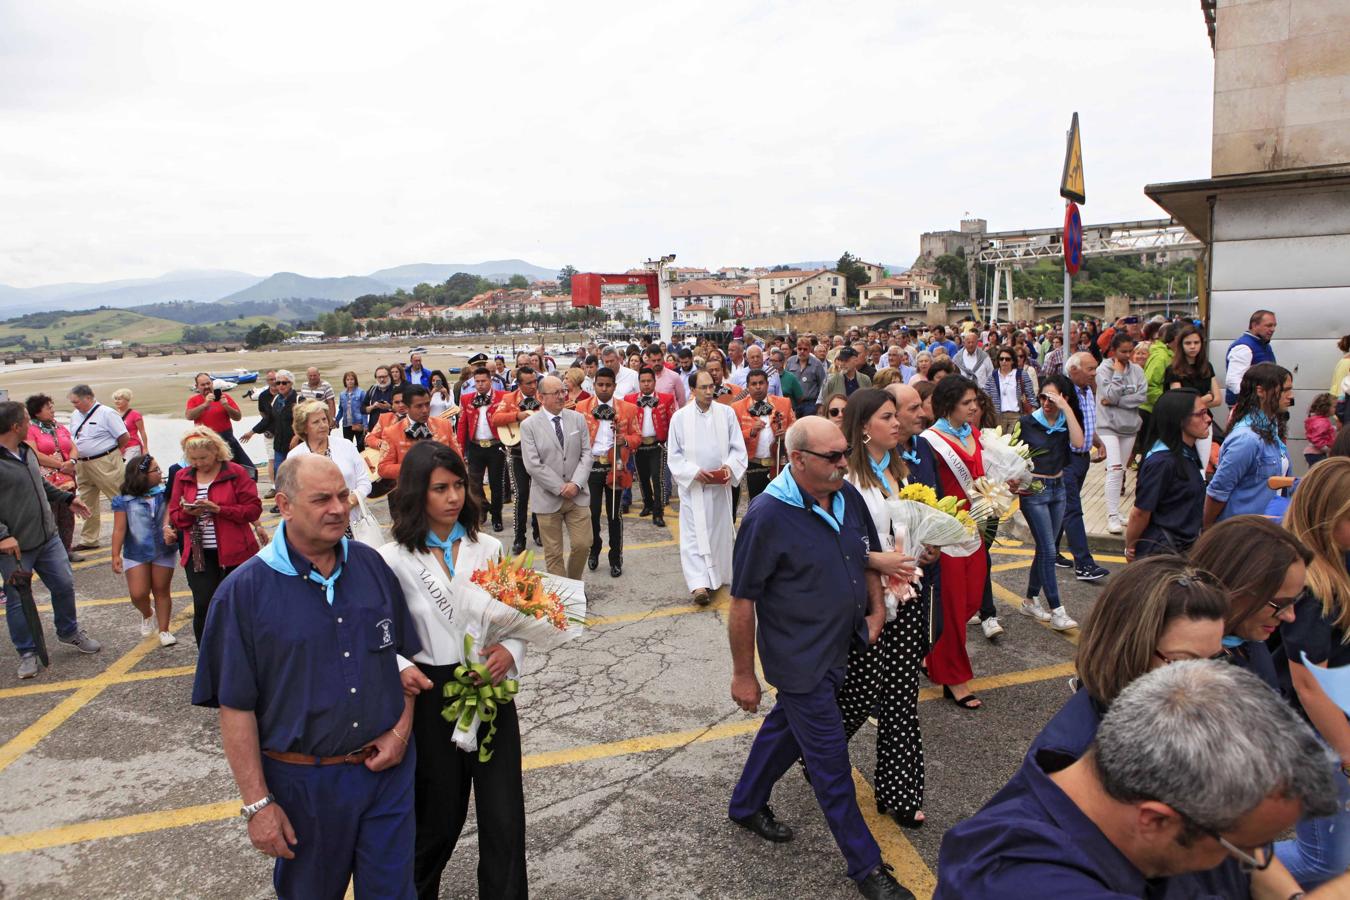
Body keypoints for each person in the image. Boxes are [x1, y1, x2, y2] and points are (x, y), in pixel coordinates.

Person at [192, 455, 419, 900]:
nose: (338, 508)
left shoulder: (372, 566)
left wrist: (400, 731)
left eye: (340, 495)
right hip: (304, 787)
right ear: (285, 505)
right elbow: (235, 708)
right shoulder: (243, 593)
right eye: (321, 499)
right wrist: (258, 805)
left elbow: (401, 661)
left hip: (386, 773)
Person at [936, 661, 1341, 899]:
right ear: (1155, 819)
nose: (1251, 864)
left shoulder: (1111, 798)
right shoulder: (1028, 886)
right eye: (1242, 848)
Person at [727, 416, 915, 900]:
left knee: (785, 729)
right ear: (797, 459)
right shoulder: (766, 517)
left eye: (844, 453)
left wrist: (875, 611)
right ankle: (867, 868)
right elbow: (743, 601)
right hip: (799, 659)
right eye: (832, 457)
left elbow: (865, 553)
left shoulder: (845, 493)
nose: (842, 464)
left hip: (843, 644)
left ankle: (746, 805)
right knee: (832, 766)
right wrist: (744, 674)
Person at [375, 442, 526, 899]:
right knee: (437, 820)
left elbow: (517, 615)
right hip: (431, 694)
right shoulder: (392, 558)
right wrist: (400, 666)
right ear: (417, 493)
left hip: (491, 690)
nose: (453, 496)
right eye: (440, 488)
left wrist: (512, 652)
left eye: (459, 484)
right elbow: (378, 632)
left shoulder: (490, 547)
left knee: (504, 818)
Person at [838, 387, 934, 830]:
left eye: (898, 416)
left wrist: (923, 549)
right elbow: (837, 546)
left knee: (900, 698)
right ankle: (810, 752)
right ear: (862, 427)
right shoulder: (845, 481)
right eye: (886, 417)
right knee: (855, 695)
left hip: (907, 599)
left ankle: (900, 792)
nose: (897, 423)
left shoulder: (900, 468)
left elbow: (904, 530)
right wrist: (878, 560)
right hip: (867, 603)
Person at [1029, 555, 1228, 759]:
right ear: (1125, 649)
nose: (1209, 684)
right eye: (1183, 664)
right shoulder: (1069, 758)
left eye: (1216, 660)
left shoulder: (1165, 720)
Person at [1269, 457, 1350, 885]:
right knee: (1323, 861)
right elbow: (1308, 682)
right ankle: (1198, 868)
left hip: (1332, 725)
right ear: (1325, 518)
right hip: (1319, 734)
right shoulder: (1312, 585)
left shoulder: (1340, 560)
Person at [0, 401, 99, 680]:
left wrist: (68, 498)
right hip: (15, 546)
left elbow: (39, 483)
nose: (30, 425)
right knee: (19, 600)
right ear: (15, 426)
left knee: (64, 584)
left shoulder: (26, 450)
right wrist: (3, 536)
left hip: (47, 537)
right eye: (26, 421)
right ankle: (27, 652)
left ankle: (68, 632)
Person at [919, 376, 992, 708]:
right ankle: (955, 679)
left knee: (971, 601)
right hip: (945, 534)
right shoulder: (930, 442)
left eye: (975, 401)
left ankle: (932, 653)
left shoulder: (974, 435)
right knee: (949, 608)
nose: (974, 407)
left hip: (972, 531)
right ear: (948, 405)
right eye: (967, 403)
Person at [1190, 514, 1310, 688]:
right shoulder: (1196, 682)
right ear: (1232, 588)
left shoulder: (1247, 638)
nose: (1290, 616)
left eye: (1296, 599)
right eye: (1280, 604)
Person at [169, 426, 262, 644]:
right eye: (192, 459)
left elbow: (253, 509)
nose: (198, 463)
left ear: (216, 451)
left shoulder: (235, 472)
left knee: (240, 604)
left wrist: (219, 509)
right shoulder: (182, 476)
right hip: (199, 552)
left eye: (203, 458)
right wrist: (188, 512)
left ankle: (245, 649)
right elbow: (175, 514)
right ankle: (208, 657)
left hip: (235, 550)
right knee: (203, 603)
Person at [670, 370, 748, 606]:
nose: (708, 391)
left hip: (719, 488)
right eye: (702, 387)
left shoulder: (726, 414)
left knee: (718, 532)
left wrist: (729, 468)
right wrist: (693, 472)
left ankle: (719, 576)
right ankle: (698, 584)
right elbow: (673, 456)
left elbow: (738, 448)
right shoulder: (680, 418)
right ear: (692, 390)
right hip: (694, 488)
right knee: (694, 536)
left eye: (711, 386)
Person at [1016, 375, 1084, 630]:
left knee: (1045, 548)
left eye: (1052, 398)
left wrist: (1066, 408)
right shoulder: (1027, 422)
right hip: (1034, 490)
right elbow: (1013, 456)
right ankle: (1057, 610)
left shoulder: (1066, 421)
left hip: (1059, 488)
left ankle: (1030, 599)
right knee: (1048, 549)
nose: (1046, 402)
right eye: (1043, 397)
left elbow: (1078, 444)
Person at [519, 375, 592, 579]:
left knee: (583, 543)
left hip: (577, 495)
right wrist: (561, 487)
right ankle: (562, 595)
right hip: (547, 497)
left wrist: (576, 484)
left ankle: (574, 582)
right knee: (553, 554)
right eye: (556, 393)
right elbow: (533, 464)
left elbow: (586, 453)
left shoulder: (577, 418)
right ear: (541, 397)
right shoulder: (529, 426)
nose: (562, 396)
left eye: (563, 391)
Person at [1125, 389, 1211, 560]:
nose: (1208, 419)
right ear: (1179, 420)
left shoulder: (1186, 454)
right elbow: (1140, 512)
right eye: (1200, 414)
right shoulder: (1162, 461)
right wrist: (1130, 546)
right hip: (1161, 553)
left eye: (1206, 412)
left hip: (1183, 550)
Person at [1205, 362, 1295, 527]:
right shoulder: (1246, 439)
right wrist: (1208, 531)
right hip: (1242, 535)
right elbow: (1217, 493)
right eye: (1285, 390)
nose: (1291, 396)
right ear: (1260, 391)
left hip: (1267, 532)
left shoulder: (1271, 429)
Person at [110, 454, 178, 646]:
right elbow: (119, 529)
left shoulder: (164, 494)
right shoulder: (124, 500)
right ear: (141, 475)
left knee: (161, 590)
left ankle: (164, 630)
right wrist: (115, 554)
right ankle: (147, 613)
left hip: (163, 549)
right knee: (138, 594)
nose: (160, 473)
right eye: (156, 470)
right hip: (136, 551)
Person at [577, 368, 639, 578]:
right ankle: (594, 550)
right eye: (600, 385)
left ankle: (616, 558)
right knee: (592, 514)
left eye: (608, 385)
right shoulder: (581, 408)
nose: (604, 389)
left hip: (617, 466)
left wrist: (626, 440)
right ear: (594, 385)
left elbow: (637, 436)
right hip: (591, 467)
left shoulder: (628, 409)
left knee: (615, 515)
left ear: (614, 386)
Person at [1056, 354, 1110, 581]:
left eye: (1095, 368)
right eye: (1090, 369)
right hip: (1066, 459)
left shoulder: (1087, 390)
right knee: (1073, 510)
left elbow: (1086, 423)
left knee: (1064, 510)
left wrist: (1096, 441)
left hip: (1082, 459)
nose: (1094, 373)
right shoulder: (1063, 394)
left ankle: (1050, 552)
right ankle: (1084, 565)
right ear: (1074, 370)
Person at [287, 400, 372, 534]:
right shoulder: (295, 457)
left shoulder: (346, 446)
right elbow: (294, 495)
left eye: (324, 419)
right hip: (318, 528)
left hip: (354, 523)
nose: (323, 425)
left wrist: (351, 501)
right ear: (303, 427)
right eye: (316, 422)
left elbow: (364, 481)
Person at [1095, 332, 1148, 534]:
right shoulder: (1104, 369)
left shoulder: (1137, 370)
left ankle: (1117, 512)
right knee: (1115, 468)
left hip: (1129, 427)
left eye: (1130, 351)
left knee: (1122, 470)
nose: (1127, 355)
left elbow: (1141, 396)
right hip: (1107, 426)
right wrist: (1117, 376)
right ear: (1113, 351)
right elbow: (1108, 394)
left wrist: (1117, 401)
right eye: (1123, 352)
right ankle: (1111, 516)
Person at [67, 383, 130, 551]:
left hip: (104, 461)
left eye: (76, 402)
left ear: (88, 398)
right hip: (83, 463)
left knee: (118, 497)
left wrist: (110, 454)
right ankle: (89, 539)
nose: (74, 406)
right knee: (87, 501)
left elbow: (124, 436)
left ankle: (132, 532)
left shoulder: (107, 413)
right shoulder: (75, 414)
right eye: (73, 403)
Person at [492, 366, 544, 554]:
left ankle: (538, 532)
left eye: (534, 381)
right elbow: (495, 418)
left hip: (540, 454)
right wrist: (517, 415)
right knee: (521, 495)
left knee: (539, 494)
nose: (533, 386)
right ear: (519, 384)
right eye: (528, 383)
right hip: (517, 452)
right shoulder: (509, 399)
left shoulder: (543, 398)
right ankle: (519, 537)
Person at [24, 394, 79, 560]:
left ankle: (67, 549)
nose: (52, 410)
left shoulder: (58, 426)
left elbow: (73, 446)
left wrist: (72, 460)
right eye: (48, 408)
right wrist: (61, 465)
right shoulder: (30, 429)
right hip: (47, 479)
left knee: (67, 516)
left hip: (67, 478)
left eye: (52, 407)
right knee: (50, 516)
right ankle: (53, 553)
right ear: (37, 412)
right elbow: (34, 453)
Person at [732, 369, 795, 507]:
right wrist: (751, 431)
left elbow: (796, 430)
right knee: (756, 505)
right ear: (748, 387)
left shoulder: (784, 403)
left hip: (778, 464)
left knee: (780, 504)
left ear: (767, 384)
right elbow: (731, 439)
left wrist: (787, 434)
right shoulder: (737, 407)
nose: (758, 387)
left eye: (761, 383)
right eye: (754, 384)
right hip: (753, 465)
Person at [377, 385, 462, 485]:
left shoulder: (444, 425)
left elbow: (458, 458)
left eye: (427, 404)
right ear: (406, 408)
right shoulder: (391, 432)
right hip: (411, 492)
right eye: (419, 406)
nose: (425, 410)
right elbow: (383, 468)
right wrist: (415, 468)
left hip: (442, 489)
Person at [457, 367, 508, 533]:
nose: (480, 385)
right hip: (476, 446)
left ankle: (497, 517)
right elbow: (462, 424)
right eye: (477, 382)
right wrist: (460, 449)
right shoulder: (466, 399)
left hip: (495, 445)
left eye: (483, 381)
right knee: (474, 485)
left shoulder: (502, 397)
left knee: (496, 484)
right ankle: (483, 508)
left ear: (490, 380)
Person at [1162, 323, 1219, 471]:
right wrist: (1206, 398)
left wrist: (1198, 401)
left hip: (1205, 420)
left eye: (1196, 342)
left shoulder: (1207, 366)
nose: (1193, 346)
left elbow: (1218, 399)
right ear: (1181, 345)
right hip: (1182, 423)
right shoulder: (1173, 369)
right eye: (1188, 343)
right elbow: (1179, 403)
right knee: (1182, 464)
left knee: (1202, 466)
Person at [624, 368, 676, 529]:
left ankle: (658, 512)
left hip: (657, 445)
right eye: (643, 381)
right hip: (638, 445)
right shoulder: (629, 399)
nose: (646, 384)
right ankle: (647, 503)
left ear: (654, 382)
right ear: (639, 383)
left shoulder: (666, 399)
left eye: (649, 381)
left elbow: (672, 422)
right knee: (642, 478)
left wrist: (670, 443)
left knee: (658, 478)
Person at [186, 373, 255, 480]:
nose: (206, 387)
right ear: (197, 387)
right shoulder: (194, 400)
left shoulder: (225, 397)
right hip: (205, 442)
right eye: (202, 385)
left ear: (212, 383)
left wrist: (226, 406)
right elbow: (189, 416)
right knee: (217, 473)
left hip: (226, 439)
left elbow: (238, 417)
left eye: (208, 383)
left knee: (248, 470)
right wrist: (205, 404)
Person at [243, 369, 298, 486]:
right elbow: (268, 419)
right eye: (278, 383)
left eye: (284, 382)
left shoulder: (299, 399)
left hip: (294, 444)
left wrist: (297, 436)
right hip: (279, 444)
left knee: (296, 474)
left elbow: (305, 421)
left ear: (291, 383)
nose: (281, 385)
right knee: (279, 473)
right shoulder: (276, 400)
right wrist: (252, 432)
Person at [1224, 308, 1278, 407]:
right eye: (1269, 325)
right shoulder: (1244, 347)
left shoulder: (1265, 345)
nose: (1273, 329)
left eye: (1274, 325)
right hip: (1246, 406)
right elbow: (1233, 381)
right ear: (1254, 325)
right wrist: (1253, 398)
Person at [983, 347, 1034, 432]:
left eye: (1007, 359)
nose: (1004, 361)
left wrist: (1031, 411)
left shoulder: (1021, 374)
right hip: (998, 416)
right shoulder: (993, 376)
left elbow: (1031, 395)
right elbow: (986, 395)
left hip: (1016, 416)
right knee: (999, 443)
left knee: (1012, 442)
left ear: (1013, 361)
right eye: (1001, 359)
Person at [787, 337, 827, 419]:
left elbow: (823, 385)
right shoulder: (790, 361)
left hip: (810, 404)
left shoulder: (817, 364)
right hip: (793, 403)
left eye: (805, 349)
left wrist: (820, 405)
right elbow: (786, 379)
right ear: (796, 349)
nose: (802, 351)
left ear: (810, 350)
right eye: (800, 349)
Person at [111, 388, 149, 461]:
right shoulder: (113, 414)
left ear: (127, 400)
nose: (117, 401)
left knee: (126, 467)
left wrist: (145, 448)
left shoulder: (135, 414)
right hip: (119, 447)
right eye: (115, 399)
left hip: (133, 446)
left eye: (119, 399)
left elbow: (142, 432)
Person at [335, 371, 367, 451]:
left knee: (361, 446)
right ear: (345, 381)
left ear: (355, 380)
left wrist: (366, 425)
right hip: (346, 424)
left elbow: (364, 410)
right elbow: (341, 410)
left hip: (358, 423)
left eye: (352, 379)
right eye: (348, 379)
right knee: (347, 446)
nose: (350, 381)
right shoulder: (342, 394)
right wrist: (336, 420)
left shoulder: (361, 393)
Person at [1304, 393, 1337, 468]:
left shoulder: (1319, 420)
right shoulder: (1322, 422)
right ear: (1326, 408)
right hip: (1317, 453)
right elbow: (1316, 438)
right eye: (1334, 407)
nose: (1336, 409)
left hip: (1314, 453)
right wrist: (1326, 449)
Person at [364, 366, 397, 433]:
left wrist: (389, 407)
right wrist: (372, 407)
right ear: (376, 378)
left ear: (389, 376)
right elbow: (362, 409)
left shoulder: (396, 390)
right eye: (379, 377)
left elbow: (404, 410)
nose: (382, 379)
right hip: (374, 429)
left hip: (392, 430)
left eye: (384, 377)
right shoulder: (372, 390)